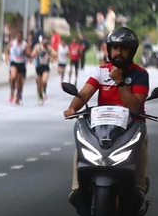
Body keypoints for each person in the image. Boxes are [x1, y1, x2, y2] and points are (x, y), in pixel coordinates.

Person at [63, 26, 151, 204]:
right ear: (109, 50)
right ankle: (76, 188)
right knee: (81, 144)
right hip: (101, 128)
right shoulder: (101, 72)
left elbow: (134, 104)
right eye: (115, 48)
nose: (118, 53)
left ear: (131, 52)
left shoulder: (140, 75)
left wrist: (119, 81)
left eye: (124, 49)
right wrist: (73, 108)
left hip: (131, 128)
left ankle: (139, 188)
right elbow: (84, 94)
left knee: (141, 143)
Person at [5, 29, 29, 104]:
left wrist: (24, 52)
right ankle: (12, 89)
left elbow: (29, 53)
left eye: (20, 36)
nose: (19, 37)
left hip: (21, 63)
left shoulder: (25, 44)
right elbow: (7, 49)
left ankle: (18, 94)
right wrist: (7, 57)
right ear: (16, 36)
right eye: (18, 36)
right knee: (13, 76)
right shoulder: (12, 43)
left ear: (22, 37)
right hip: (14, 62)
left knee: (19, 81)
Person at [32, 35, 52, 104]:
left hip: (46, 67)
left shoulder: (49, 48)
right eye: (44, 42)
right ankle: (39, 96)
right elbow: (32, 54)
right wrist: (34, 54)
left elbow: (55, 55)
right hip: (39, 67)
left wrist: (50, 57)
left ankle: (43, 92)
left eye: (47, 42)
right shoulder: (38, 48)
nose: (45, 44)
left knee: (43, 81)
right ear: (42, 42)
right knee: (38, 83)